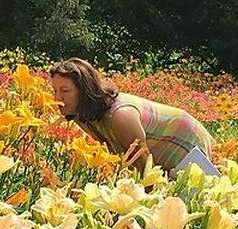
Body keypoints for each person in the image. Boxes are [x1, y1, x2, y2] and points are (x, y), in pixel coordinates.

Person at [48, 58, 218, 176]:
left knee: (194, 195)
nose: (57, 98)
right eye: (55, 90)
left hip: (185, 140)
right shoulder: (82, 115)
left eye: (65, 90)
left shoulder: (120, 115)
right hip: (159, 149)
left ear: (85, 91)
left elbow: (143, 166)